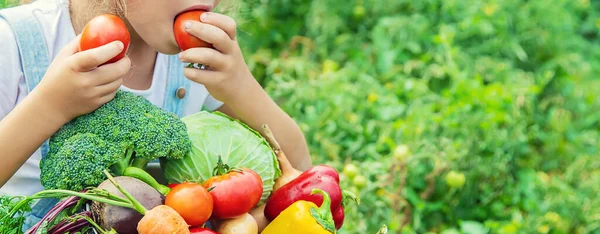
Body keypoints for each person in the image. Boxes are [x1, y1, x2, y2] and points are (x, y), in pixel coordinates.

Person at [0, 0, 311, 230]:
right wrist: (51, 105)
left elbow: (299, 170)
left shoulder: (192, 62)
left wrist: (241, 86)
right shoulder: (14, 40)